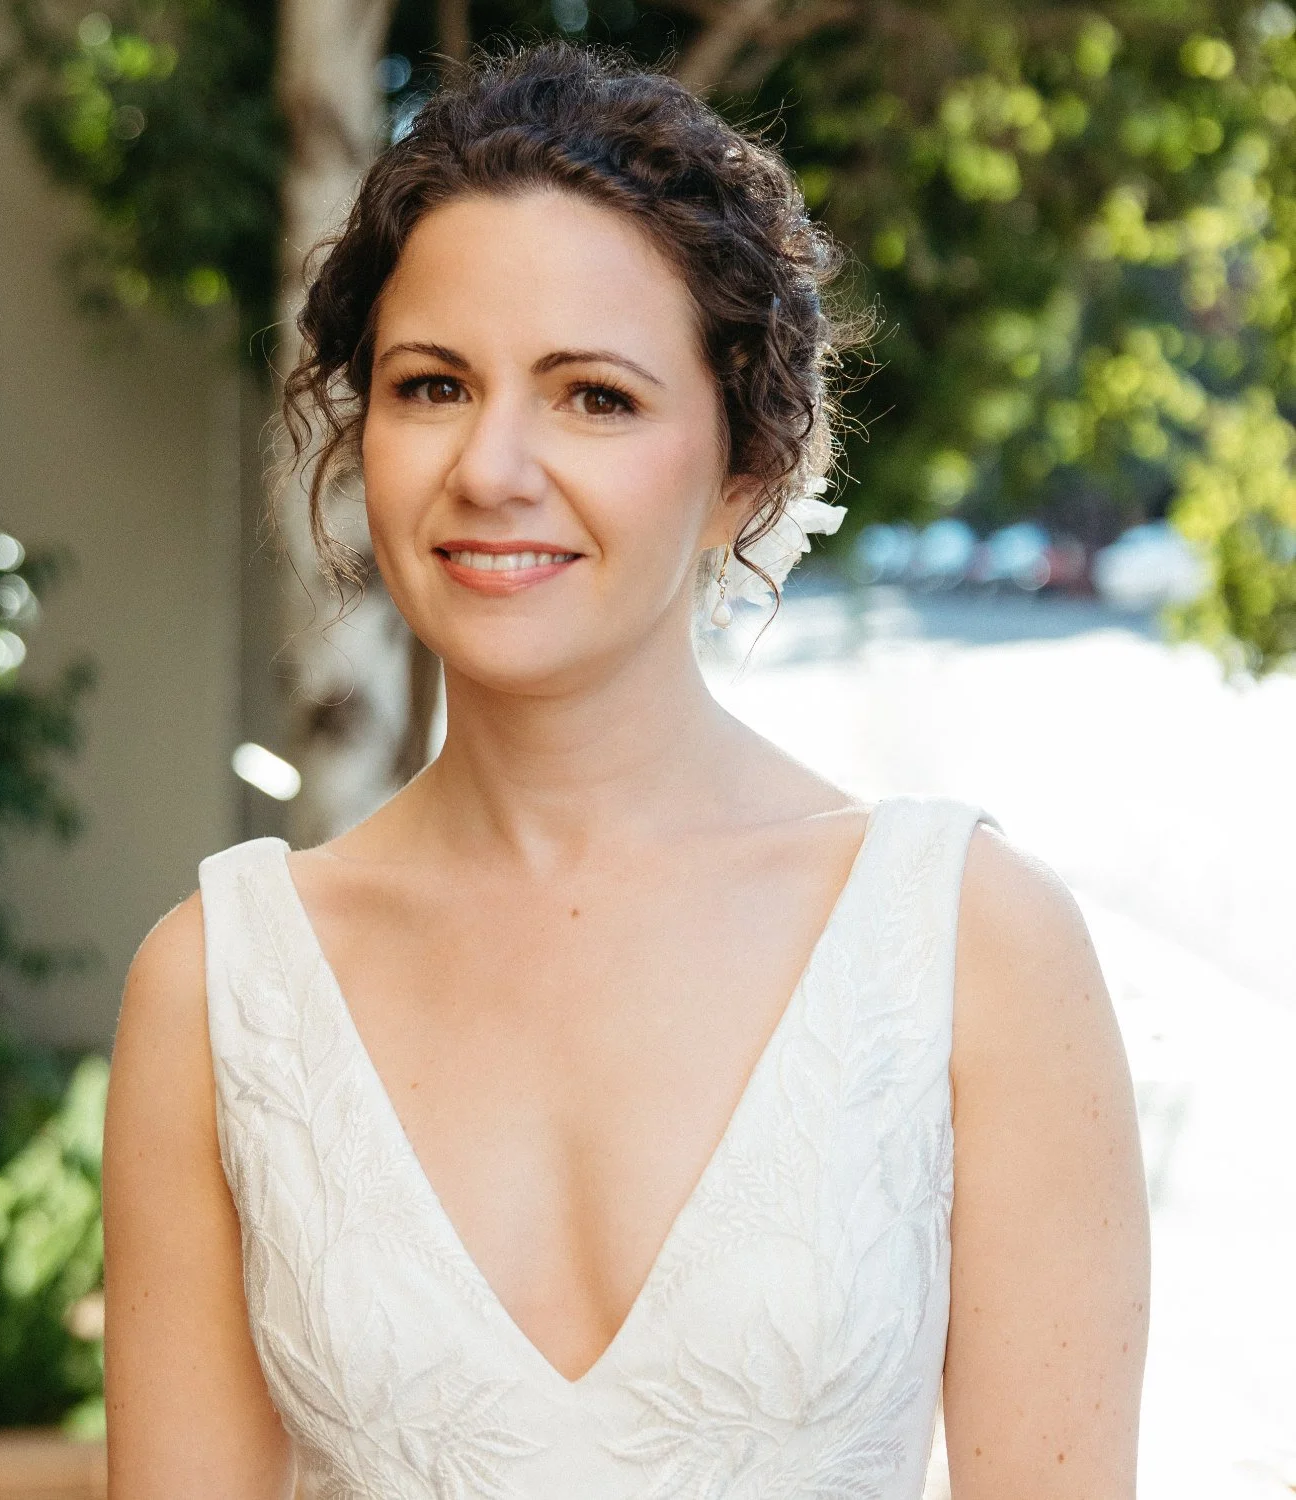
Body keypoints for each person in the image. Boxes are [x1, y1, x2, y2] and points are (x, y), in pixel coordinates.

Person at [102, 41, 1150, 1499]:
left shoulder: (971, 942)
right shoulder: (218, 986)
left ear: (747, 468)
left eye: (594, 396)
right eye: (431, 385)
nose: (493, 468)